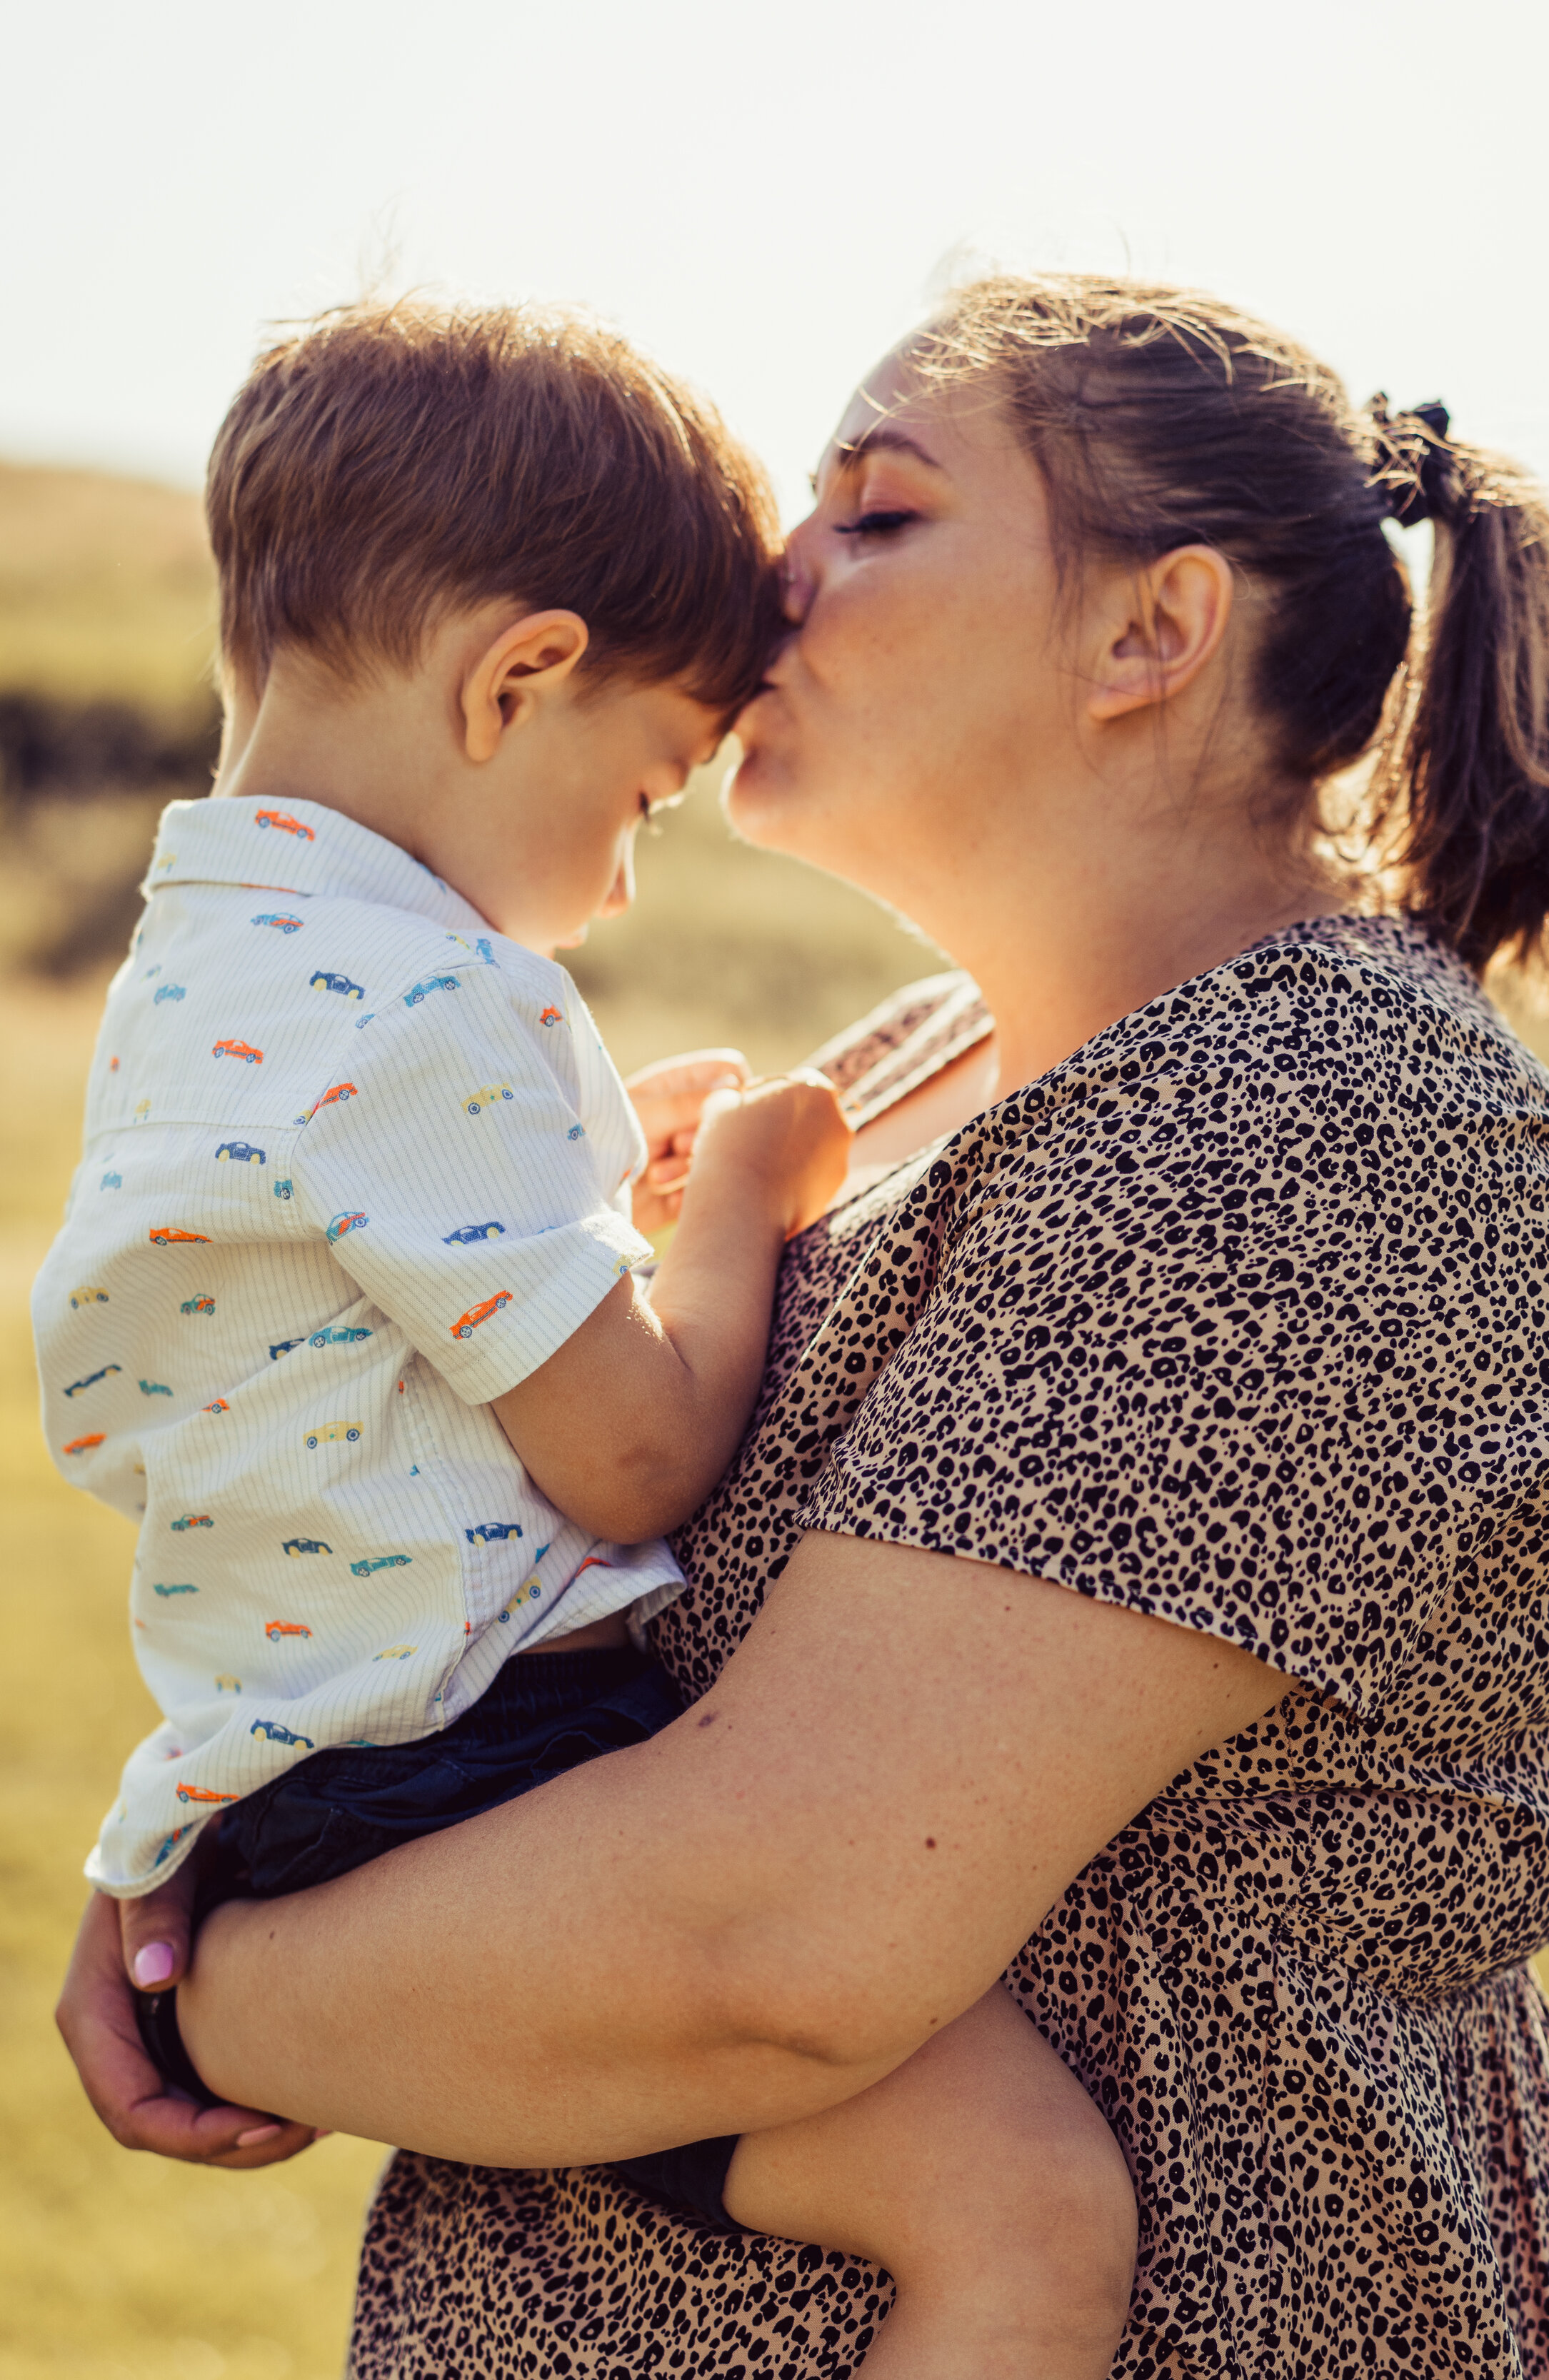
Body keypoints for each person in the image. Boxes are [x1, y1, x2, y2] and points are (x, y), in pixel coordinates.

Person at [58, 275, 1549, 2379]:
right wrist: (257, 1806)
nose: (774, 570)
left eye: (875, 511)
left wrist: (225, 1961)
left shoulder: (1307, 1131)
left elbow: (760, 1952)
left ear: (1147, 633)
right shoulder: (933, 1066)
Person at [37, 294, 1147, 2380]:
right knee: (1021, 2217)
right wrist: (732, 1209)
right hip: (488, 1766)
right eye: (642, 793)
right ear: (519, 678)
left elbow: (346, 1360)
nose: (623, 884)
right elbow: (627, 1459)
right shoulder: (435, 1005)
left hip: (296, 1776)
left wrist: (567, 1222)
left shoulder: (209, 977)